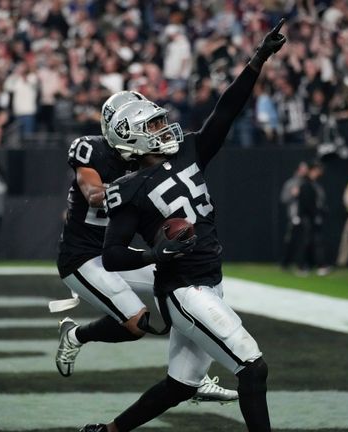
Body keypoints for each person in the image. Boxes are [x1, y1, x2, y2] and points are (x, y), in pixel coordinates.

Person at [90, 20, 286, 432]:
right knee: (253, 367)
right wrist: (153, 255)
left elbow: (227, 109)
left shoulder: (189, 151)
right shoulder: (128, 189)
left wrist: (258, 59)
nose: (164, 128)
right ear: (131, 140)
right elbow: (111, 255)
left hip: (208, 282)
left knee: (181, 384)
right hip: (184, 291)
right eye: (153, 126)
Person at [52, 91, 236, 403]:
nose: (155, 131)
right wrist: (134, 186)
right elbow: (94, 193)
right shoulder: (91, 149)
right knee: (136, 324)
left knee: (183, 285)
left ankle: (192, 377)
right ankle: (75, 335)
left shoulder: (147, 158)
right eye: (147, 126)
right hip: (83, 257)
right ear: (122, 129)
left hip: (118, 254)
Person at [296, 161, 328, 275]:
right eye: (316, 171)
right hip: (307, 218)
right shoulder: (305, 185)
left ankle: (315, 265)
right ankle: (302, 266)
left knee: (314, 241)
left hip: (312, 217)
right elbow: (306, 204)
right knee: (306, 241)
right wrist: (314, 215)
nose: (318, 173)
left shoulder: (315, 184)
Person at [279, 161, 308, 269]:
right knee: (291, 239)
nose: (304, 172)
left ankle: (301, 263)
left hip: (305, 215)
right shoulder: (290, 183)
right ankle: (285, 262)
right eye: (302, 169)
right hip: (294, 215)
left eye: (305, 170)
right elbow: (283, 199)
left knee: (304, 240)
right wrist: (293, 194)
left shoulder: (307, 183)